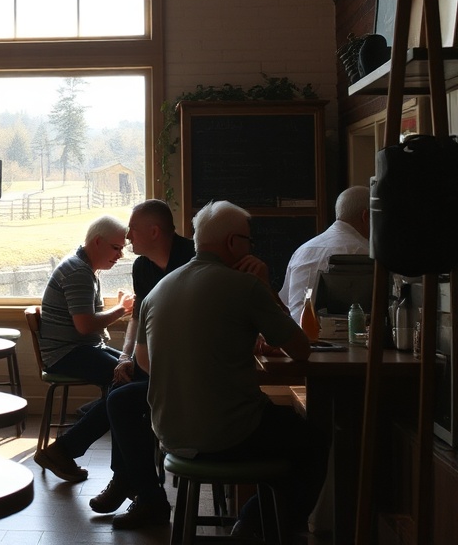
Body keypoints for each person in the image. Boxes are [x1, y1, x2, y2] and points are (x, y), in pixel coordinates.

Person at [137, 200, 328, 537]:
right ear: (232, 242)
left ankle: (257, 521)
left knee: (278, 429)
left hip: (169, 433)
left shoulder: (157, 291)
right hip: (227, 436)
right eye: (248, 241)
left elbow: (143, 360)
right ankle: (256, 525)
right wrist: (266, 288)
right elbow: (301, 348)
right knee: (313, 438)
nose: (250, 248)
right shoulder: (245, 286)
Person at [35, 200, 194, 530]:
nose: (126, 246)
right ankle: (119, 475)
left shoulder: (193, 260)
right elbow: (115, 321)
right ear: (97, 242)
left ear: (154, 232)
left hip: (181, 365)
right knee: (120, 389)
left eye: (130, 235)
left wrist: (128, 357)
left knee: (120, 394)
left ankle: (108, 469)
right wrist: (126, 356)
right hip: (71, 352)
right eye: (117, 245)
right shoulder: (120, 269)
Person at [38, 215, 134, 389]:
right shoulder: (79, 272)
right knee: (127, 375)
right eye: (116, 248)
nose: (120, 255)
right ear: (97, 242)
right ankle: (96, 409)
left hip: (78, 349)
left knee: (131, 367)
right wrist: (121, 309)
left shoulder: (82, 265)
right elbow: (85, 326)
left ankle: (100, 406)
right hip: (66, 354)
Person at [280, 185, 370, 322]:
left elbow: (286, 303)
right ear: (366, 216)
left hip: (295, 333)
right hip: (343, 334)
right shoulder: (364, 254)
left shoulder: (302, 251)